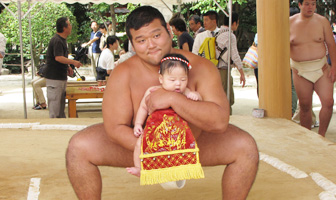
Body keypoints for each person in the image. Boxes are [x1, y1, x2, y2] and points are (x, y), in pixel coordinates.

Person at [66, 6, 258, 200]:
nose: (150, 45)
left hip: (192, 143)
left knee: (245, 147)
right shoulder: (123, 73)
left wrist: (173, 99)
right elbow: (115, 127)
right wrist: (154, 150)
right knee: (78, 147)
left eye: (156, 35)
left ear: (168, 29)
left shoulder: (201, 67)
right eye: (141, 40)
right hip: (138, 145)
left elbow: (219, 121)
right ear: (132, 43)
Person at [126, 53, 202, 179]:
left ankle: (179, 169)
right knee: (140, 143)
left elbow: (198, 100)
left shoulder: (185, 92)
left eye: (183, 80)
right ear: (161, 79)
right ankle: (139, 168)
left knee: (179, 149)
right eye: (172, 80)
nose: (178, 84)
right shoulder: (153, 90)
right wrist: (138, 124)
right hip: (154, 129)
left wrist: (195, 95)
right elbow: (143, 107)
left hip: (176, 131)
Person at [290, 0, 336, 137]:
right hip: (300, 71)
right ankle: (308, 137)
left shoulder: (322, 22)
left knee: (328, 102)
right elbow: (282, 48)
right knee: (305, 106)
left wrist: (334, 66)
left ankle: (321, 136)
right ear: (299, 5)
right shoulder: (289, 23)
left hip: (321, 68)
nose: (311, 7)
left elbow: (331, 44)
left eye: (313, 4)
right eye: (307, 4)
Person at [44, 17, 82, 118]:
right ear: (64, 28)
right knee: (55, 108)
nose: (71, 27)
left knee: (60, 108)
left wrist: (68, 66)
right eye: (69, 24)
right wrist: (73, 62)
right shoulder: (57, 40)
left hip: (60, 77)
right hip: (54, 77)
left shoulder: (62, 40)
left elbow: (62, 57)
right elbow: (58, 57)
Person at [215, 12, 245, 114]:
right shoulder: (230, 35)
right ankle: (227, 120)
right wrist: (241, 72)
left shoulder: (218, 33)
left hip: (215, 69)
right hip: (224, 70)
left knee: (219, 96)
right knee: (227, 98)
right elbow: (235, 55)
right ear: (234, 23)